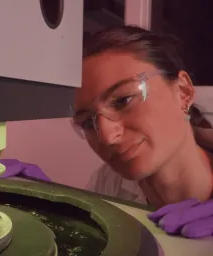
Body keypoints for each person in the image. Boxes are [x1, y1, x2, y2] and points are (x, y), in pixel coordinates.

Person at [72, 25, 213, 238]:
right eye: (88, 123)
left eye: (123, 101)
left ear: (183, 91)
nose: (109, 137)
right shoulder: (108, 183)